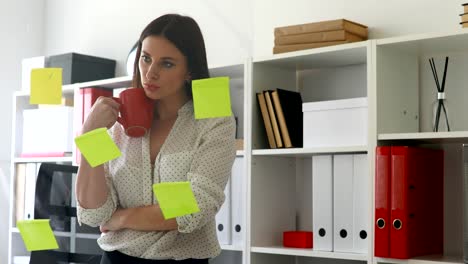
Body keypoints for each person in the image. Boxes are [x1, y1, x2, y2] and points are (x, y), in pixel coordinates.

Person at [75, 14, 236, 264]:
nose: (150, 73)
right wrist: (89, 136)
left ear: (190, 70)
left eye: (167, 64)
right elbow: (94, 214)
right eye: (146, 58)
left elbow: (195, 209)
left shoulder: (214, 120)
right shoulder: (119, 125)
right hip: (116, 258)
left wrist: (122, 218)